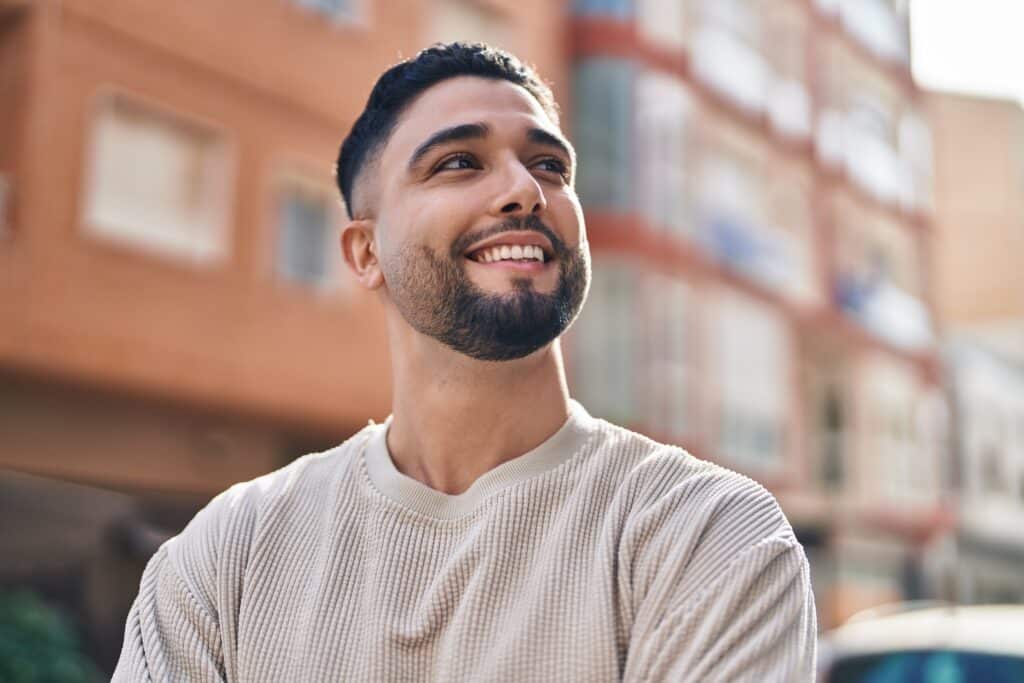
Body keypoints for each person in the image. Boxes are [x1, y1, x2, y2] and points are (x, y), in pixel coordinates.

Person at [113, 42, 816, 682]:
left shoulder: (708, 534)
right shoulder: (226, 557)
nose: (525, 190)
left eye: (550, 165)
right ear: (364, 253)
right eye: (458, 163)